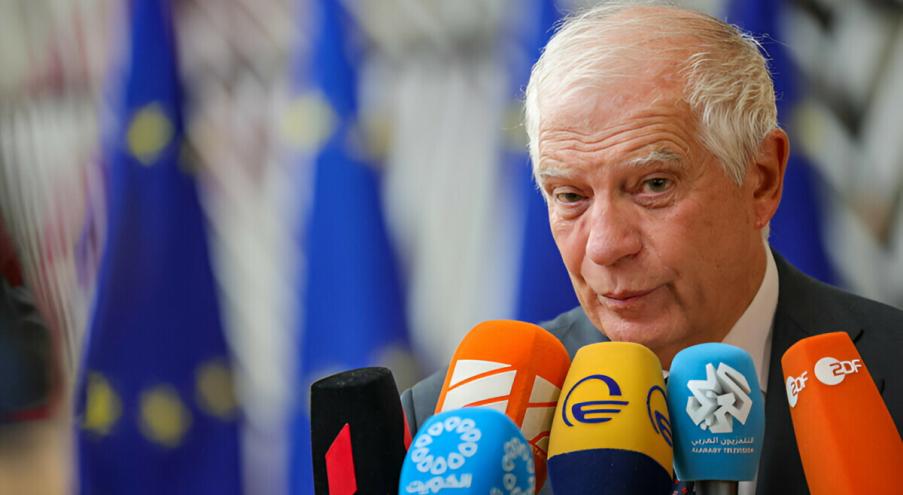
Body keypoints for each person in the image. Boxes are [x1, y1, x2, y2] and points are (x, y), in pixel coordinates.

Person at [400, 3, 903, 494]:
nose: (605, 246)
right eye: (570, 196)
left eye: (654, 185)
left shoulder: (892, 370)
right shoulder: (449, 429)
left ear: (761, 180)